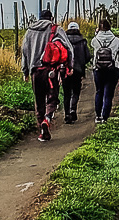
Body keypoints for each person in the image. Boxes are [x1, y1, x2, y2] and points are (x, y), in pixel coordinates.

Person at [20, 8, 71, 141]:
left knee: (39, 100)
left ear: (39, 18)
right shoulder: (56, 29)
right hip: (51, 71)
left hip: (35, 71)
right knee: (52, 97)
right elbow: (68, 48)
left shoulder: (29, 32)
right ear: (51, 19)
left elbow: (24, 52)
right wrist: (68, 67)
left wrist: (25, 71)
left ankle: (42, 129)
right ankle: (48, 119)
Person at [89, 16, 119, 123]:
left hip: (98, 69)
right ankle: (105, 117)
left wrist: (96, 33)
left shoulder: (95, 40)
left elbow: (92, 44)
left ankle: (98, 116)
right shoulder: (116, 40)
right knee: (108, 94)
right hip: (113, 69)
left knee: (99, 91)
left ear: (99, 28)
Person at [63, 20, 91, 122]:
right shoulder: (83, 41)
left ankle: (66, 115)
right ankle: (73, 110)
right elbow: (88, 56)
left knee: (66, 93)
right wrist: (82, 63)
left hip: (66, 70)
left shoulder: (64, 41)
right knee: (75, 92)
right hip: (78, 70)